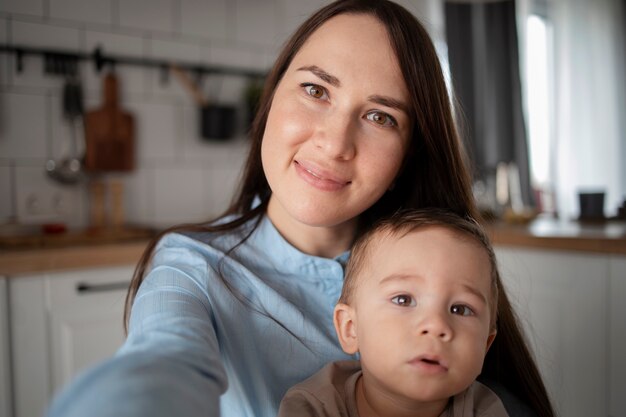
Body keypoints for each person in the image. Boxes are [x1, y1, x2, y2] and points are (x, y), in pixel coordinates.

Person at [47, 1, 554, 417]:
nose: (335, 144)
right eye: (315, 90)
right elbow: (163, 363)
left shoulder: (442, 261)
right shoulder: (192, 268)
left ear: (408, 155)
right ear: (271, 101)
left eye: (380, 117)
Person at [278, 209, 510, 417]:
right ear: (351, 328)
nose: (437, 325)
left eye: (460, 309)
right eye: (403, 300)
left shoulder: (484, 410)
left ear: (486, 344)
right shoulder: (313, 407)